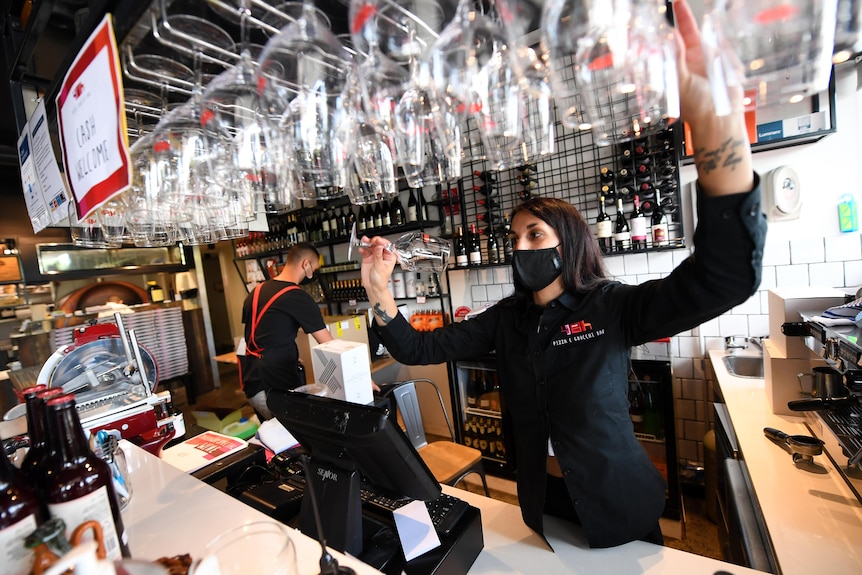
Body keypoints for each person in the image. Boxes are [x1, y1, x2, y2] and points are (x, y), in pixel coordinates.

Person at [357, 0, 766, 550]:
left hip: (620, 508)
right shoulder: (506, 320)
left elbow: (725, 277)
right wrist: (378, 288)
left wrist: (713, 119)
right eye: (515, 236)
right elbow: (415, 349)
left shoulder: (611, 307)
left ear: (567, 244)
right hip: (542, 508)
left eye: (535, 235)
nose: (520, 246)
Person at [239, 242, 333, 419]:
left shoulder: (255, 291)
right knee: (295, 438)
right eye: (314, 268)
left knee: (274, 439)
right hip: (276, 386)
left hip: (252, 382)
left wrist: (286, 352)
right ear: (306, 264)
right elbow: (331, 345)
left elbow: (258, 334)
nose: (313, 274)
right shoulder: (297, 297)